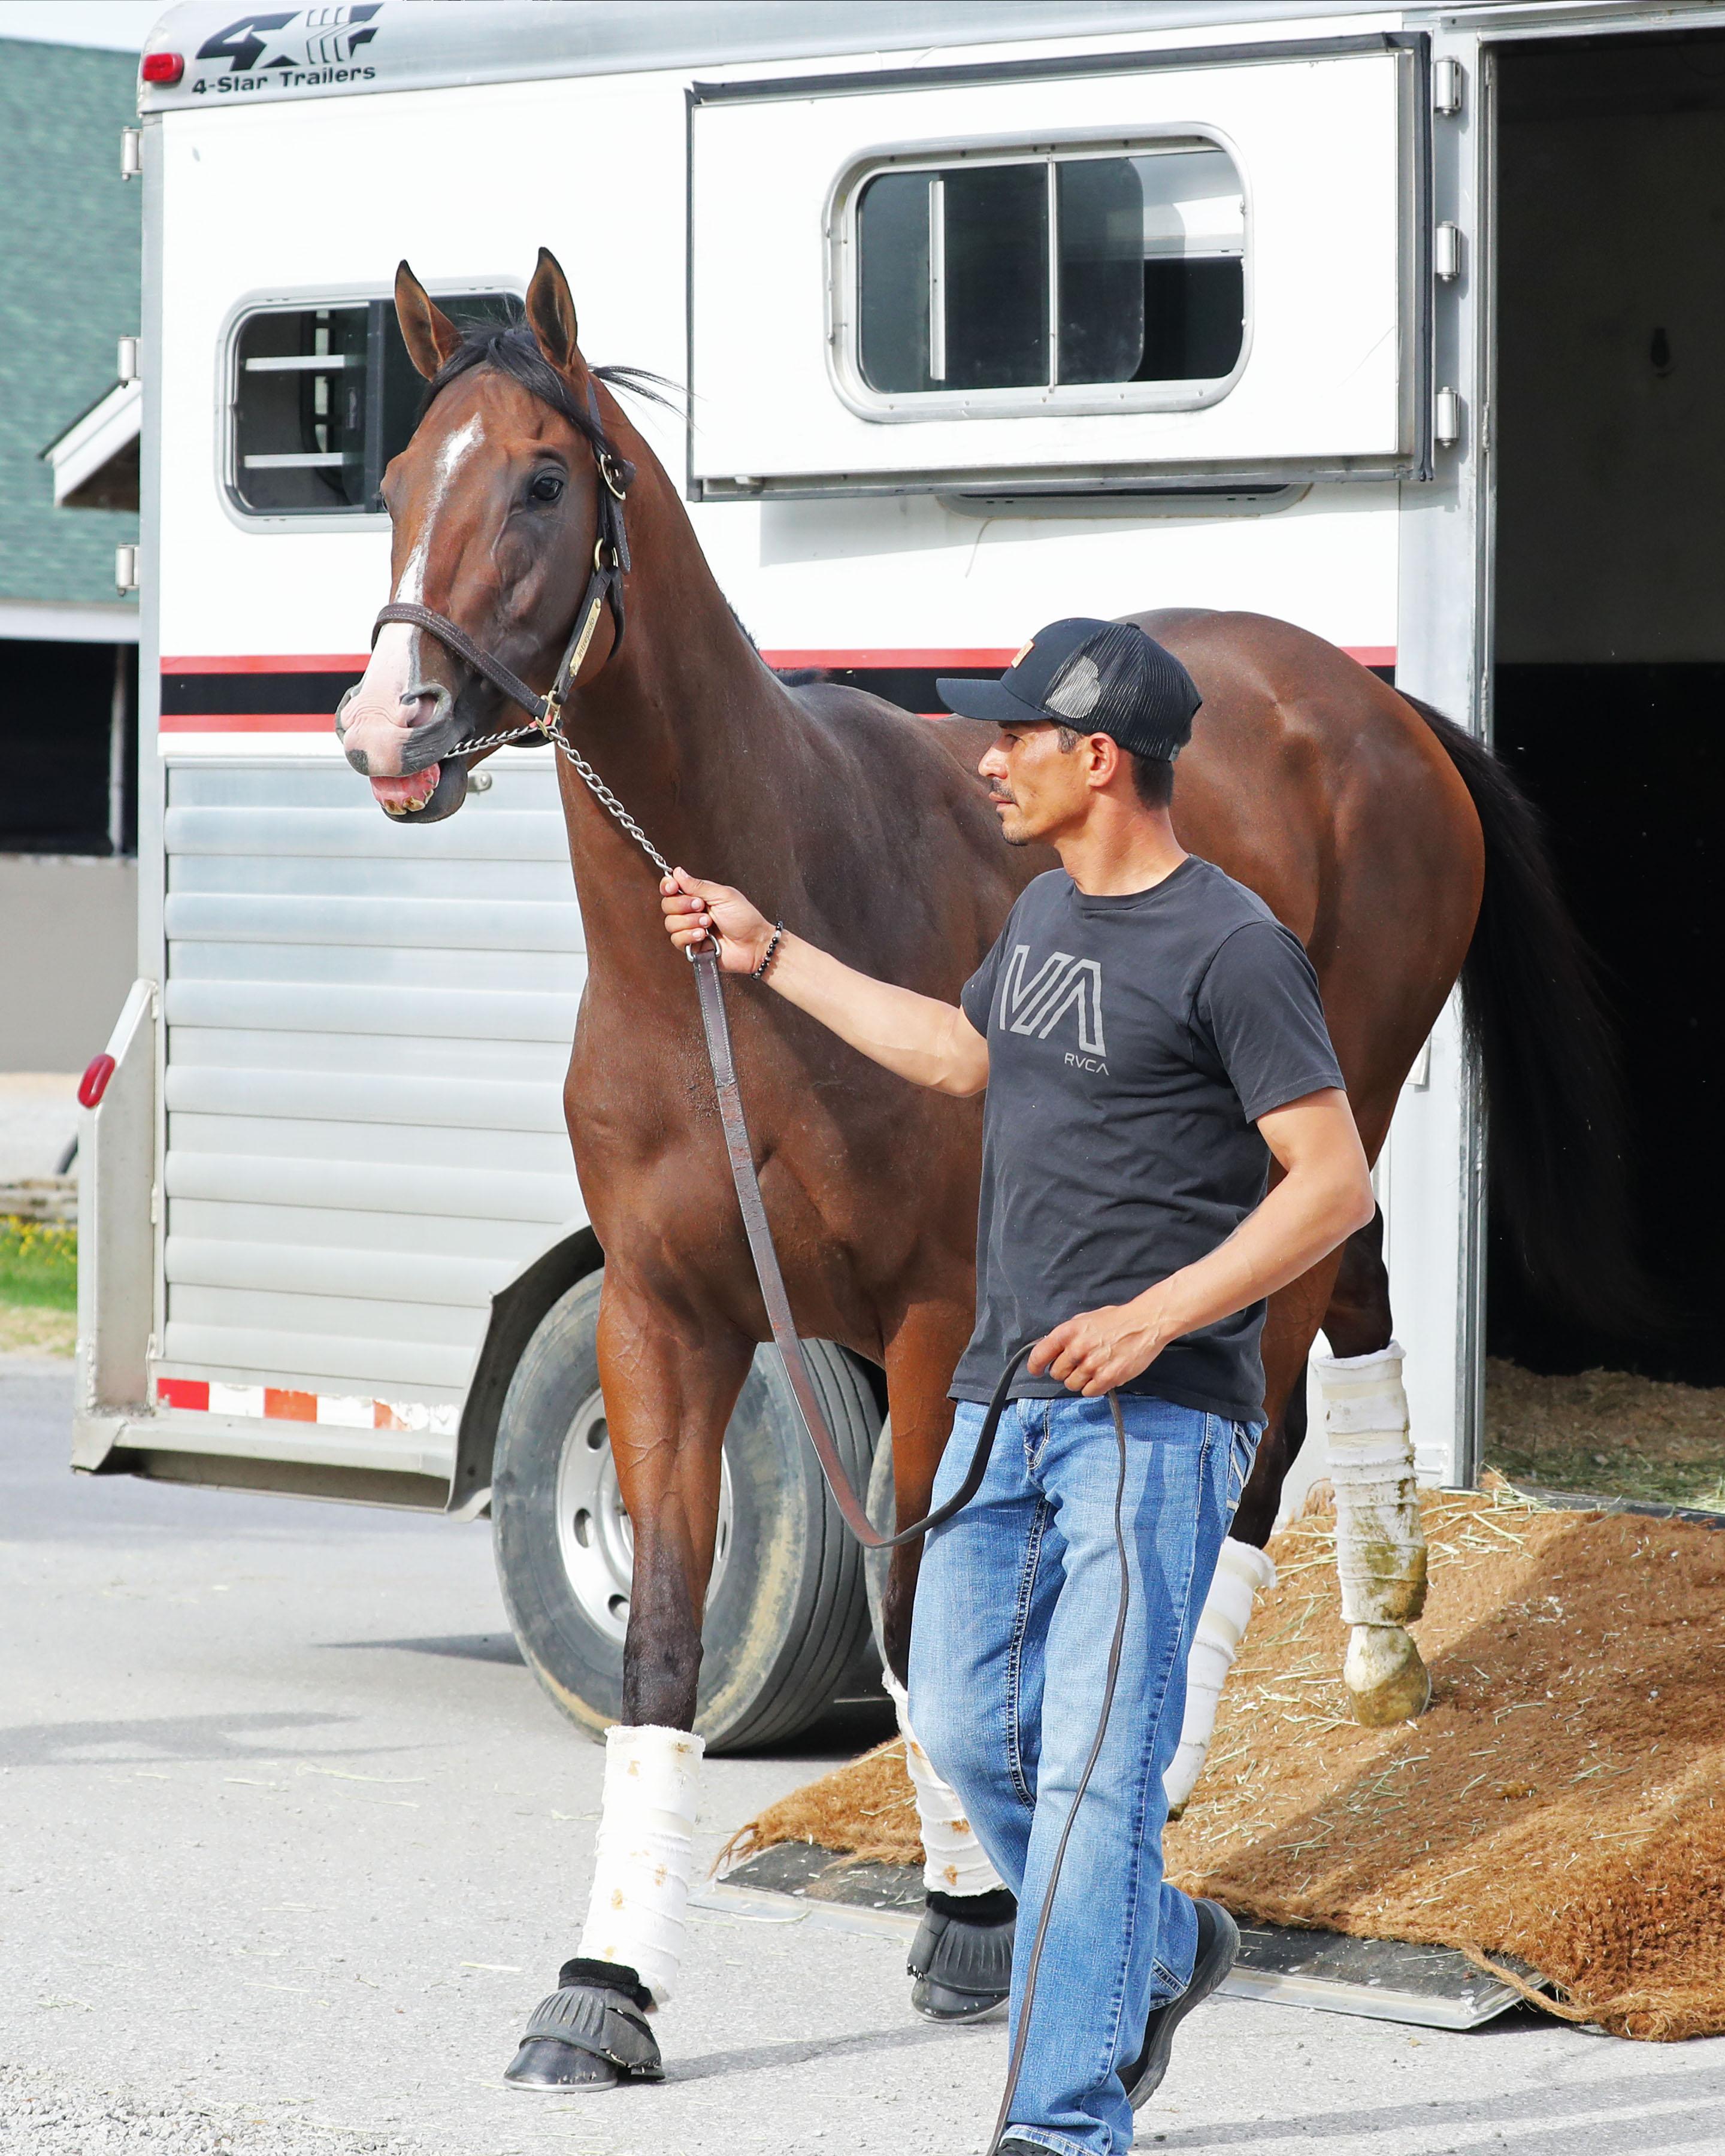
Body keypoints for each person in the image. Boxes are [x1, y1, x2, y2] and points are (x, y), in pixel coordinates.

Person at [659, 617, 1373, 2156]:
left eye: (1017, 737)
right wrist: (766, 950)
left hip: (1157, 1421)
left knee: (1104, 1772)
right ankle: (1165, 1946)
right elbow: (963, 1053)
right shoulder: (1046, 917)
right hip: (997, 1405)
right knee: (978, 1743)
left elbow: (1333, 1186)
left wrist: (1160, 1319)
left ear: (1098, 757)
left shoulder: (1234, 948)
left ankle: (1061, 2124)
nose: (986, 758)